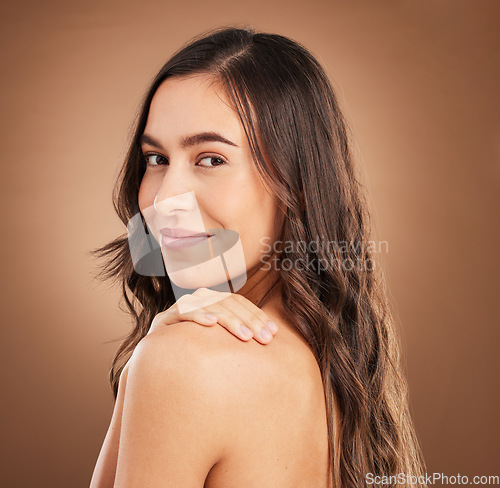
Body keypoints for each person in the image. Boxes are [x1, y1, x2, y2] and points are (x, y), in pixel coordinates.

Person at [89, 25, 427, 488]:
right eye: (155, 159)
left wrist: (152, 359)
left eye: (211, 159)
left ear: (298, 185)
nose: (167, 198)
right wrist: (138, 370)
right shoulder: (338, 365)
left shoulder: (184, 363)